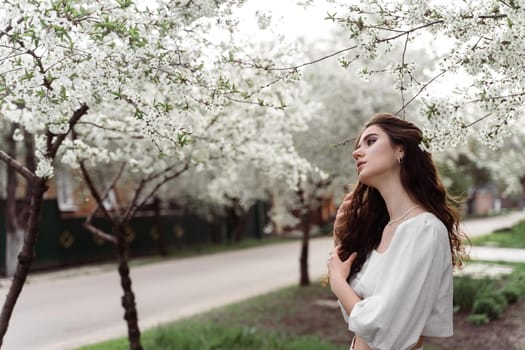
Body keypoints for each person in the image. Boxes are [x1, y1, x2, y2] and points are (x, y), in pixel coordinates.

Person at [326, 113, 467, 350]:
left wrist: (337, 281)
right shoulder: (384, 230)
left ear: (400, 150)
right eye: (358, 146)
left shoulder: (425, 230)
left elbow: (385, 330)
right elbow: (355, 315)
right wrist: (341, 236)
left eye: (370, 142)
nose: (356, 153)